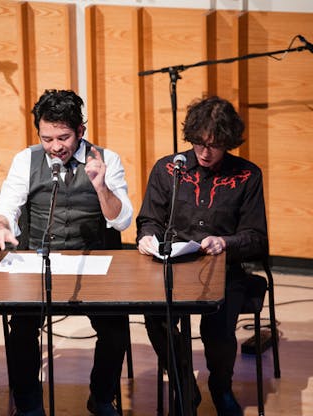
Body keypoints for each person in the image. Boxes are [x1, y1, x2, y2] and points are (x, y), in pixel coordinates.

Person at [0, 89, 134, 416]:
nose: (55, 147)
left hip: (93, 262)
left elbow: (122, 220)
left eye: (63, 137)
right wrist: (0, 227)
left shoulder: (105, 159)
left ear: (80, 131)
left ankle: (100, 397)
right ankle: (28, 404)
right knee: (21, 329)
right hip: (38, 260)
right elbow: (5, 208)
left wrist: (100, 186)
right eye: (47, 138)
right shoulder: (27, 159)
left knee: (115, 330)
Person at [136, 96, 268, 416]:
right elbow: (149, 219)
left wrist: (224, 242)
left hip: (224, 268)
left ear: (228, 142)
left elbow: (256, 238)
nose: (205, 152)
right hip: (172, 266)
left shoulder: (247, 175)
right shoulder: (169, 169)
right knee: (156, 315)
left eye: (214, 145)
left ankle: (220, 387)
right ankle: (183, 381)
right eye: (198, 143)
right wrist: (147, 238)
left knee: (218, 329)